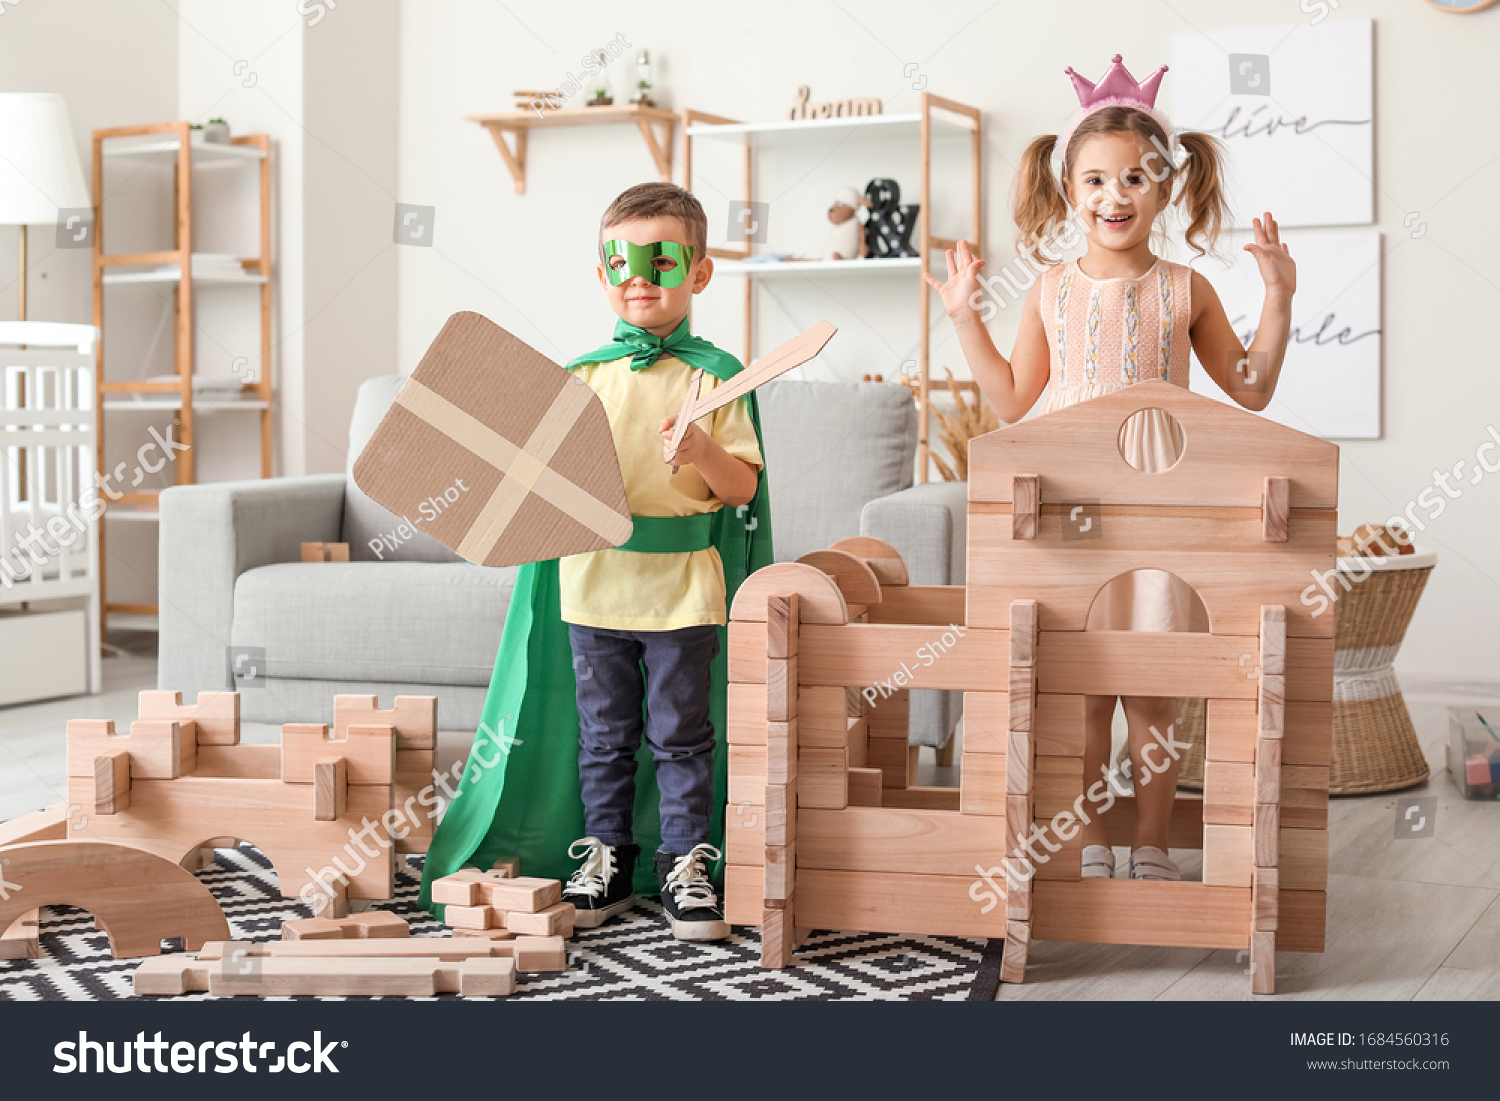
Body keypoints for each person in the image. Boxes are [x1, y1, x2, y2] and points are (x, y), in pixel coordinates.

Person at [925, 55, 1296, 881]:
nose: (1113, 196)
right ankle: (1089, 843)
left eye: (1135, 178)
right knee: (1083, 695)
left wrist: (1278, 299)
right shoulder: (1050, 291)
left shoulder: (1184, 288)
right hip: (1074, 511)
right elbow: (1015, 401)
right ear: (1068, 191)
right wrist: (963, 318)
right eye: (1094, 181)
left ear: (1165, 189)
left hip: (1162, 510)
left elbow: (1251, 387)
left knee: (1154, 691)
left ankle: (1155, 843)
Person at [420, 182, 774, 940]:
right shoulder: (581, 377)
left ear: (699, 273)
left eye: (660, 259)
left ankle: (687, 862)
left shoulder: (717, 376)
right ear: (602, 273)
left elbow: (743, 488)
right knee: (604, 735)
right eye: (620, 261)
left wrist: (703, 447)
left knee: (681, 735)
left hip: (681, 591)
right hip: (592, 588)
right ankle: (606, 855)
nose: (638, 276)